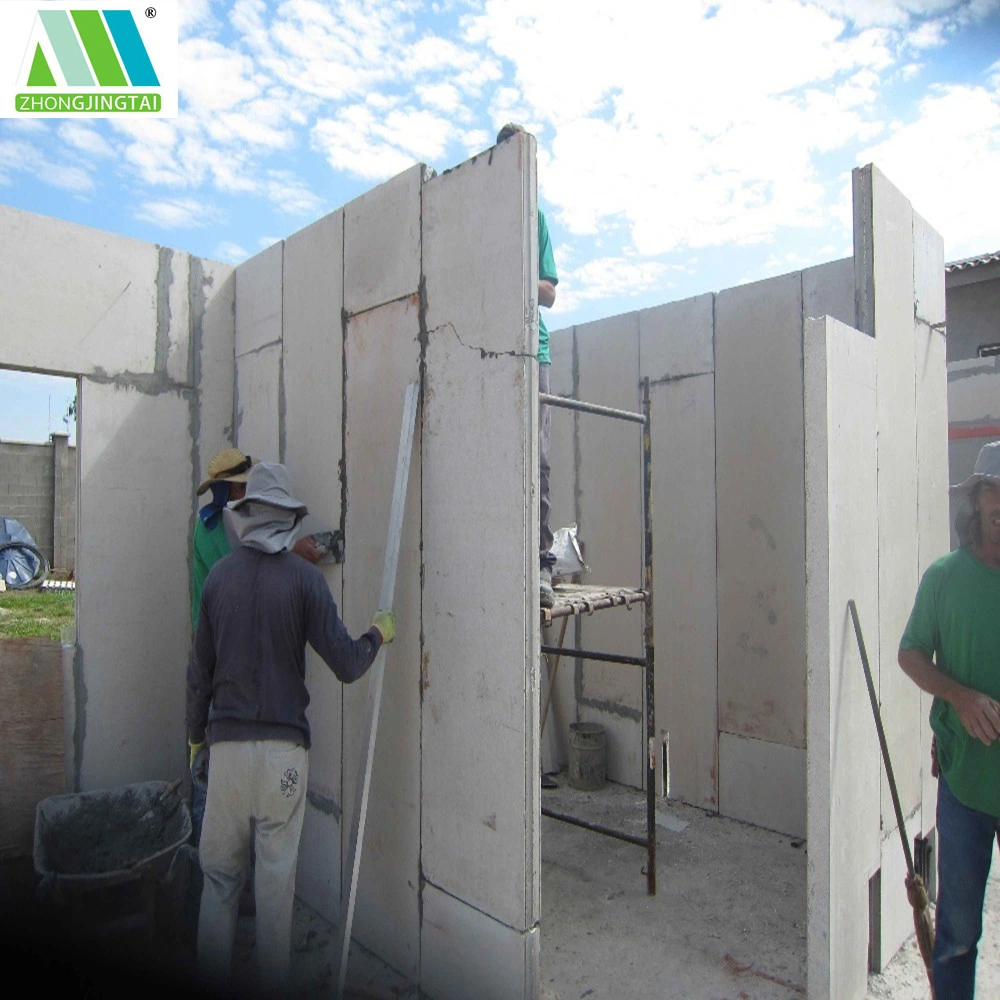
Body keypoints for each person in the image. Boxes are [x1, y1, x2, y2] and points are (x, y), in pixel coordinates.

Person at [186, 462, 396, 995]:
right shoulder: (304, 581)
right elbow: (348, 664)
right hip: (284, 762)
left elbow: (199, 674)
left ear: (245, 515)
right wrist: (378, 634)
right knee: (275, 893)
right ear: (288, 518)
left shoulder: (219, 579)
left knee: (219, 882)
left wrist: (195, 740)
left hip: (227, 755)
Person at [898, 440, 1000, 1000]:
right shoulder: (944, 577)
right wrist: (959, 698)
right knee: (958, 937)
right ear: (977, 499)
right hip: (964, 791)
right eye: (993, 492)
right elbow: (910, 654)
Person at [496, 123, 559, 608]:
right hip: (490, 351)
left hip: (531, 352)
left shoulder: (534, 218)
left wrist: (515, 274)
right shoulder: (483, 219)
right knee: (498, 456)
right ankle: (503, 556)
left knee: (537, 457)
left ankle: (541, 563)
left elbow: (549, 293)